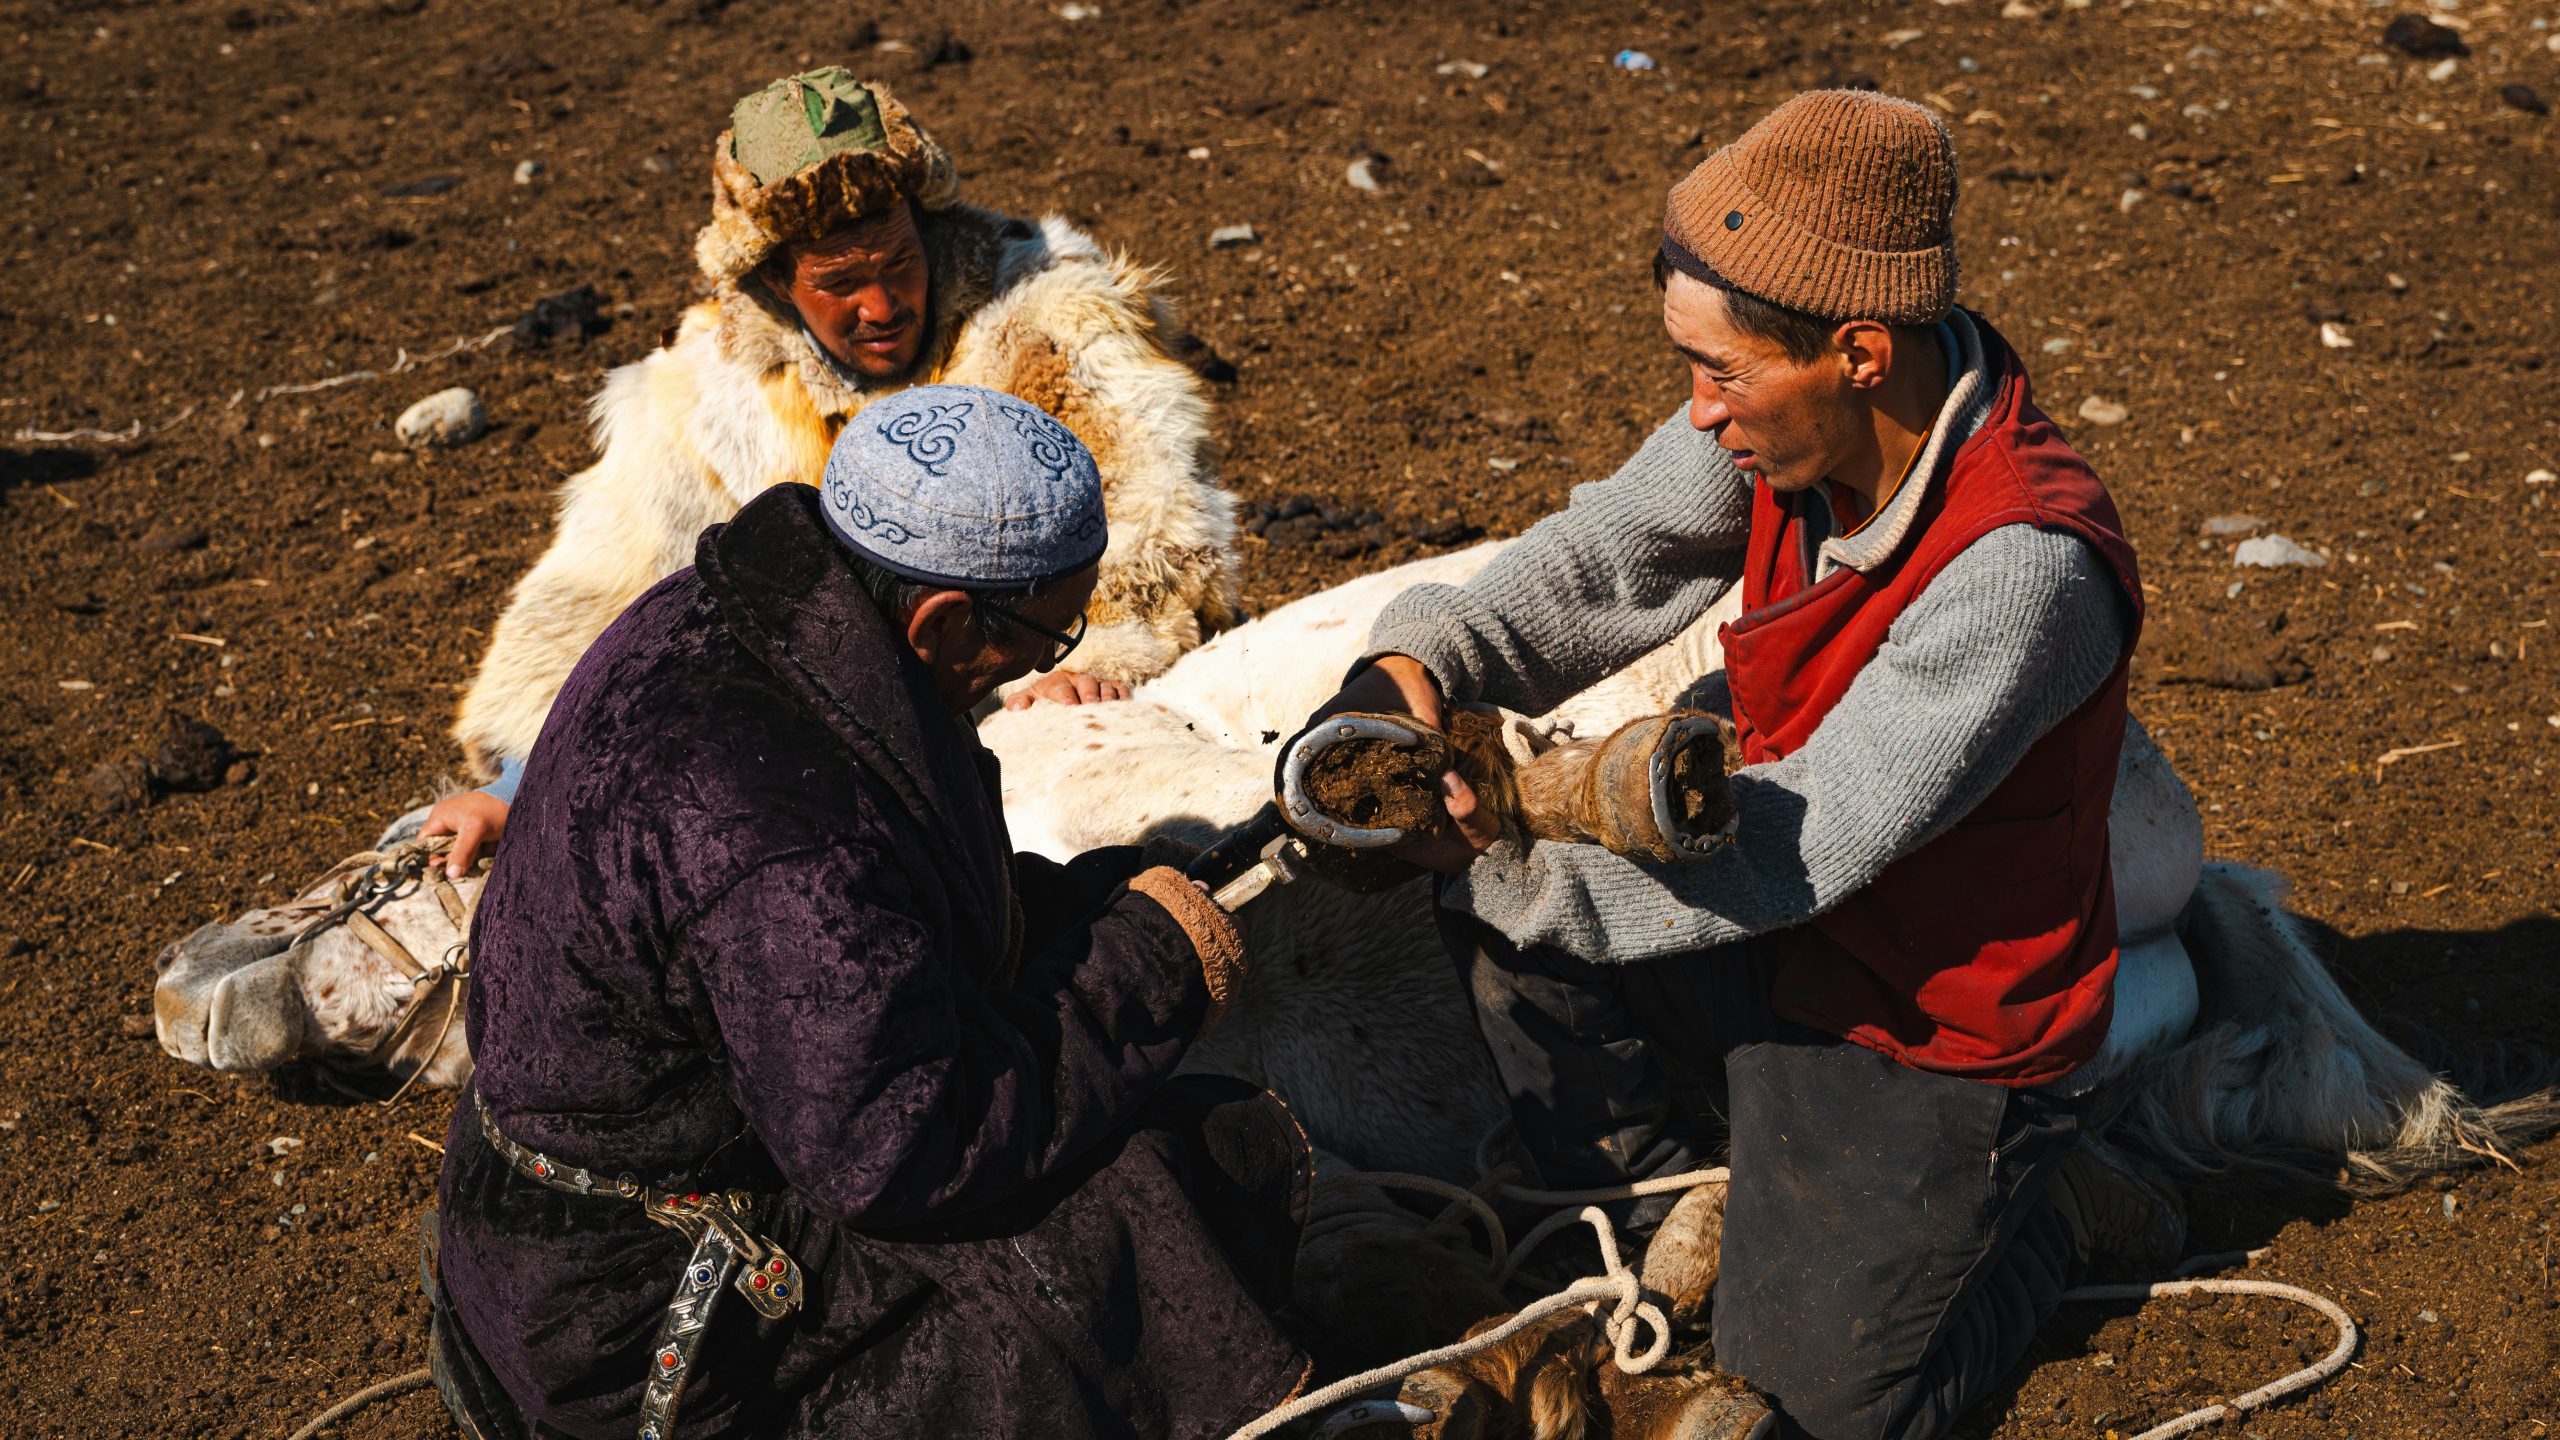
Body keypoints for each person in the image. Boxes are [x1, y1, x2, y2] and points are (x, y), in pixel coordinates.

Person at [1309, 90, 2179, 1440]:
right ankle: (1663, 1206)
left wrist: (1516, 864)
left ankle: (2035, 1217)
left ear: (1859, 353)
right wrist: (1415, 665)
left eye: (1722, 374)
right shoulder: (1789, 423)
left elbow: (1806, 844)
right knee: (1508, 912)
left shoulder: (2020, 571)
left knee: (1820, 1413)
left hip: (1919, 1023)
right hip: (1771, 928)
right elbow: (1607, 558)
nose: (1697, 412)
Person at [428, 384, 1308, 1440]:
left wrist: (1110, 900)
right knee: (1166, 1187)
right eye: (1051, 630)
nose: (1051, 660)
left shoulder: (725, 613)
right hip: (643, 1306)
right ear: (942, 618)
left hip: (562, 1215)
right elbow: (899, 1150)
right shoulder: (780, 824)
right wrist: (1147, 965)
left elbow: (889, 927)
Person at [422, 67, 1239, 872]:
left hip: (1043, 690)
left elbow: (1150, 524)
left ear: (927, 225)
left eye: (900, 261)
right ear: (776, 280)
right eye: (840, 282)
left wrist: (1083, 664)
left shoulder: (1046, 318)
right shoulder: (710, 391)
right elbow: (620, 600)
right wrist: (529, 779)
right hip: (832, 748)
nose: (881, 306)